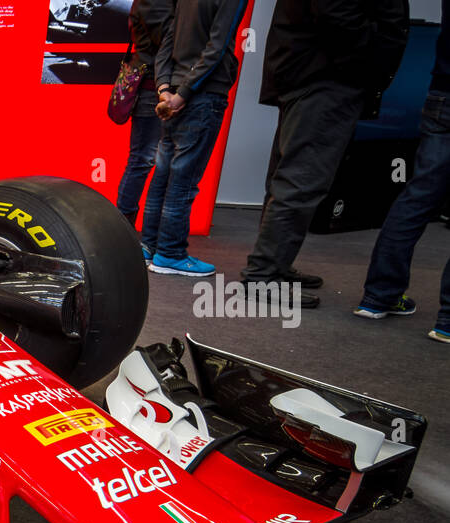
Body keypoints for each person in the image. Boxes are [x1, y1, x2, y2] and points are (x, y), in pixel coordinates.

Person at [242, 0, 410, 308]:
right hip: (325, 76)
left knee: (291, 177)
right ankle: (263, 275)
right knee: (300, 181)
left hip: (314, 71)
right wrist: (370, 53)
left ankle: (272, 266)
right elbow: (336, 13)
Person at [354, 1, 450, 343]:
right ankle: (447, 321)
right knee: (418, 198)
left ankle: (378, 297)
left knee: (418, 197)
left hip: (443, 93)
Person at [141, 0, 248, 277]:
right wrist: (183, 94)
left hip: (178, 89)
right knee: (182, 180)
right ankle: (169, 253)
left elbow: (168, 42)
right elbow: (217, 48)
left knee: (164, 174)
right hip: (201, 93)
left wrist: (166, 87)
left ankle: (150, 247)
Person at [117, 0, 175, 239]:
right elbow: (169, 40)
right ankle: (122, 227)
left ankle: (125, 226)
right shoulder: (153, 2)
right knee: (143, 159)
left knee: (148, 159)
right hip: (151, 87)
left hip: (157, 86)